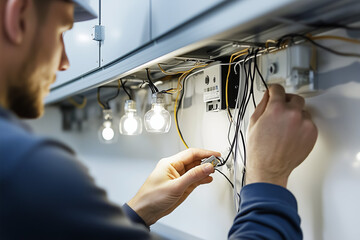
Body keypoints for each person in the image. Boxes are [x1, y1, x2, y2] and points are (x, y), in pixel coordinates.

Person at [0, 0, 318, 239]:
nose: (65, 62)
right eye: (60, 33)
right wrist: (268, 178)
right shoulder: (24, 167)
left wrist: (139, 211)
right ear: (18, 15)